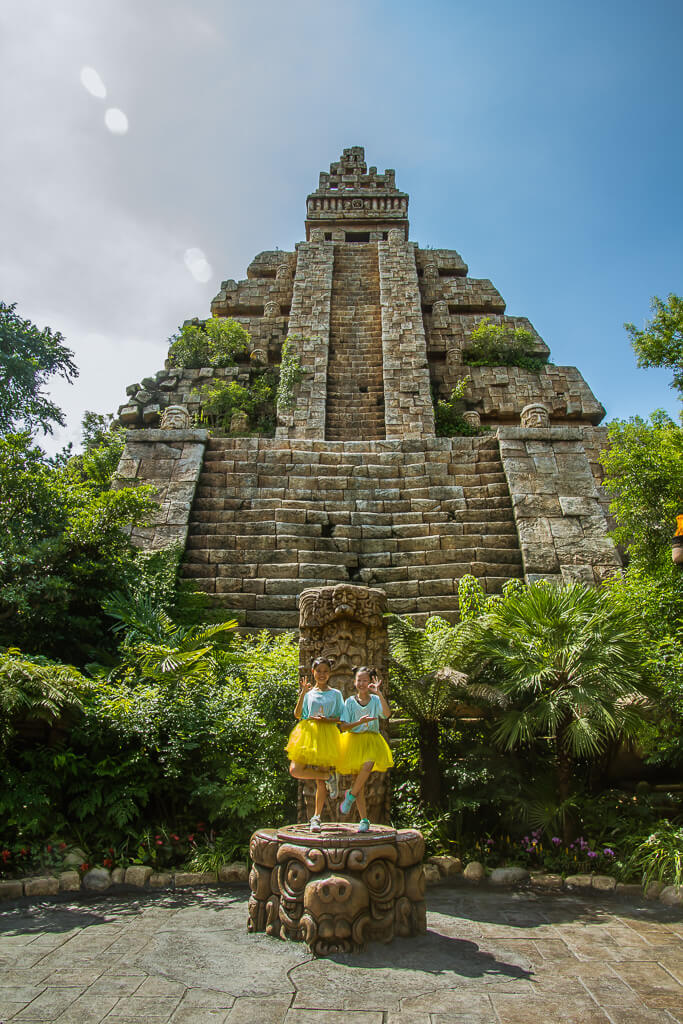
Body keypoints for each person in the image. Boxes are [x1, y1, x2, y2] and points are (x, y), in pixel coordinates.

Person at [286, 657, 344, 833]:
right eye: (319, 671)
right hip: (307, 733)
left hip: (326, 733)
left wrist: (327, 720)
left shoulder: (335, 694)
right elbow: (298, 714)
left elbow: (341, 717)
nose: (322, 674)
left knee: (319, 780)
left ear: (330, 673)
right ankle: (329, 777)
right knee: (295, 769)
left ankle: (316, 818)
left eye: (325, 671)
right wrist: (303, 692)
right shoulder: (309, 693)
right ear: (313, 672)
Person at [338, 666, 393, 832]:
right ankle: (364, 820)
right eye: (359, 680)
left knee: (368, 765)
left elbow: (387, 714)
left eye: (365, 680)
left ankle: (350, 796)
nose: (362, 683)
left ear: (370, 682)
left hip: (371, 740)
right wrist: (360, 722)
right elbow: (344, 726)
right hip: (353, 742)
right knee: (358, 782)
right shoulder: (349, 702)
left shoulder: (375, 700)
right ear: (354, 682)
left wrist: (379, 693)